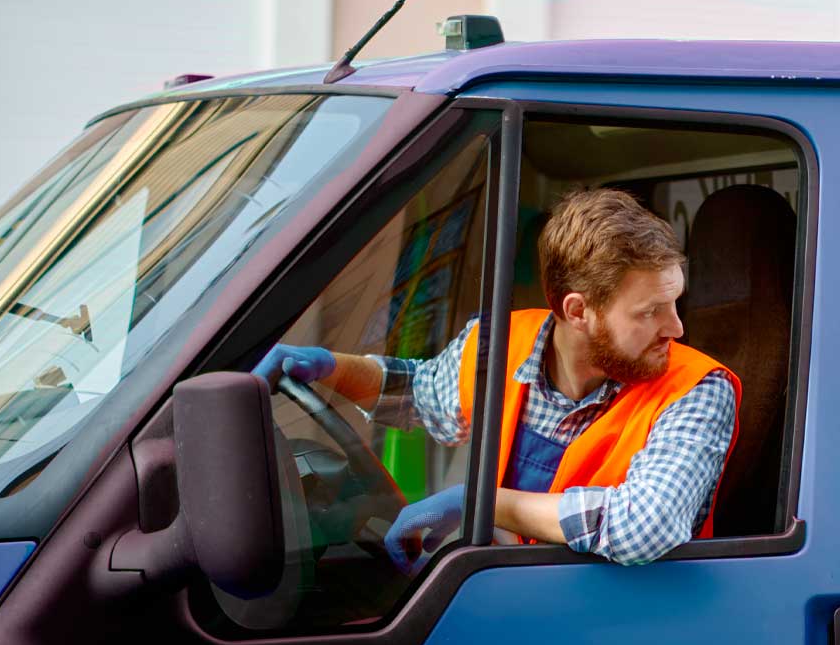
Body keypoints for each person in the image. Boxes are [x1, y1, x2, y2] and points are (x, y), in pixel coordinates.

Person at [253, 188, 740, 572]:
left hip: (628, 629)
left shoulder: (697, 390)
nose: (677, 328)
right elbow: (419, 394)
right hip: (516, 597)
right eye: (651, 312)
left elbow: (645, 526)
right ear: (578, 311)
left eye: (674, 303)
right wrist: (331, 368)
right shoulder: (496, 346)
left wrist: (484, 504)